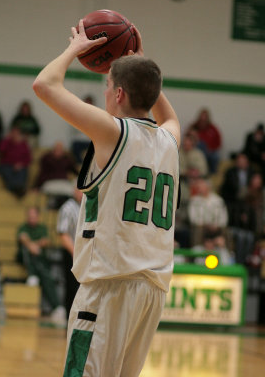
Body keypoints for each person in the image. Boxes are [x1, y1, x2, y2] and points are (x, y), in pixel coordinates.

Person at [33, 21, 180, 377]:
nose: (105, 92)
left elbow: (44, 85)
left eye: (108, 85)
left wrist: (74, 49)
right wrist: (139, 65)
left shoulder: (112, 131)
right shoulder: (171, 140)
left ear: (118, 95)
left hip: (109, 288)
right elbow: (169, 115)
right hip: (151, 292)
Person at [17, 207, 66, 325]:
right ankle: (32, 273)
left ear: (38, 217)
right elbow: (22, 238)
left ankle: (57, 307)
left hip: (41, 261)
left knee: (47, 277)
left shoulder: (42, 228)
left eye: (34, 216)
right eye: (30, 216)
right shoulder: (23, 227)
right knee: (29, 253)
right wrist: (31, 246)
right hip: (25, 258)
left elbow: (46, 240)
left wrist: (35, 245)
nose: (31, 218)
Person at [56, 184, 82, 320]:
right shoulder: (67, 208)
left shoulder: (89, 205)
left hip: (85, 254)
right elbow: (63, 234)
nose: (82, 193)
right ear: (74, 191)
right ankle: (69, 321)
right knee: (72, 288)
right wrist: (75, 253)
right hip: (71, 253)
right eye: (79, 190)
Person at [188, 178, 228, 247]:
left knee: (226, 231)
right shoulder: (194, 201)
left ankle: (226, 253)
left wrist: (217, 225)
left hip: (216, 227)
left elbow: (224, 217)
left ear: (207, 187)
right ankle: (197, 250)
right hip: (202, 226)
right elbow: (193, 218)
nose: (199, 188)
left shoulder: (218, 200)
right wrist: (205, 224)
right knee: (197, 230)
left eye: (201, 186)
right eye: (198, 187)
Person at [0, 126, 32, 197]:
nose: (15, 135)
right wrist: (7, 139)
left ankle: (16, 188)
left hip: (20, 166)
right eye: (13, 133)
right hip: (6, 164)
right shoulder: (7, 142)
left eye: (17, 133)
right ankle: (15, 188)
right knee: (7, 171)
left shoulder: (24, 144)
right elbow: (0, 150)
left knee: (23, 171)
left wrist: (21, 164)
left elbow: (28, 159)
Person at [189, 108, 222, 174]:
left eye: (205, 117)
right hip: (195, 150)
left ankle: (212, 173)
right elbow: (187, 139)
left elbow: (218, 142)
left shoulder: (213, 128)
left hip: (209, 151)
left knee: (215, 156)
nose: (203, 119)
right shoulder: (193, 126)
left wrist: (211, 149)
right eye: (201, 117)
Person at [70, 95, 94, 164]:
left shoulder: (95, 114)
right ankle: (80, 164)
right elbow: (74, 127)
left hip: (90, 141)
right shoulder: (78, 114)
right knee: (75, 145)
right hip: (80, 140)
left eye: (90, 103)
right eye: (87, 103)